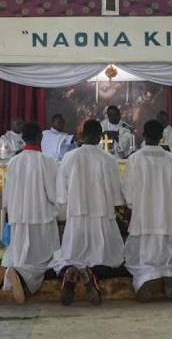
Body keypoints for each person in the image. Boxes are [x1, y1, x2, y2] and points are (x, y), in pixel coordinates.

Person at [51, 119, 126, 306]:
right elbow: (116, 193)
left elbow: (61, 191)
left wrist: (66, 201)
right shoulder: (108, 159)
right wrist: (115, 203)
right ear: (100, 137)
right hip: (101, 216)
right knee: (111, 259)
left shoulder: (69, 157)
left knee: (70, 254)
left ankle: (69, 274)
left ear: (82, 135)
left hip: (77, 214)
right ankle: (92, 275)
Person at [0, 121, 60, 304]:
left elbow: (8, 197)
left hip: (19, 218)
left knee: (19, 254)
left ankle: (7, 271)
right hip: (42, 219)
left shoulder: (13, 163)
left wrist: (13, 215)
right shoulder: (48, 162)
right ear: (39, 138)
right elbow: (54, 194)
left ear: (24, 139)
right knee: (45, 261)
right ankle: (19, 274)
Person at [123, 119, 172, 302]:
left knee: (143, 252)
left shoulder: (135, 159)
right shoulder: (170, 159)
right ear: (162, 137)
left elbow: (129, 191)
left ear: (143, 135)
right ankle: (169, 276)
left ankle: (146, 279)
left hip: (144, 214)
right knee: (168, 249)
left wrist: (133, 206)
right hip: (166, 214)